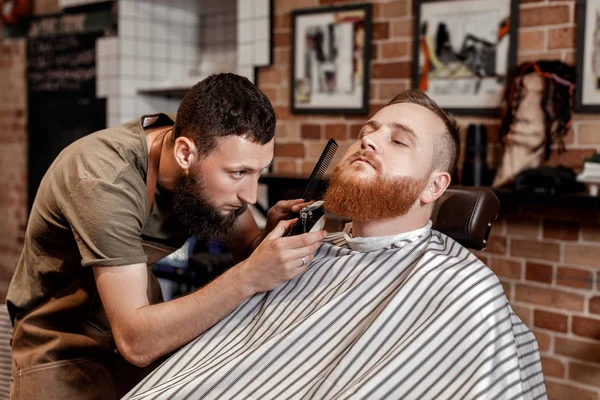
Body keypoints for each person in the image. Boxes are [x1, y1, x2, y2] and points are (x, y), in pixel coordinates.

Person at [124, 89, 547, 400]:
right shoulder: (308, 249)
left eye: (398, 141)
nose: (369, 140)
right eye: (368, 132)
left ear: (434, 186)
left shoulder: (463, 290)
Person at [6, 73, 326, 399]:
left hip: (138, 330)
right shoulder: (104, 180)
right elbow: (137, 341)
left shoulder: (208, 146)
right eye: (239, 173)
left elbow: (247, 246)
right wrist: (248, 277)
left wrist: (272, 238)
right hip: (62, 347)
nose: (250, 195)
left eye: (259, 172)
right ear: (185, 154)